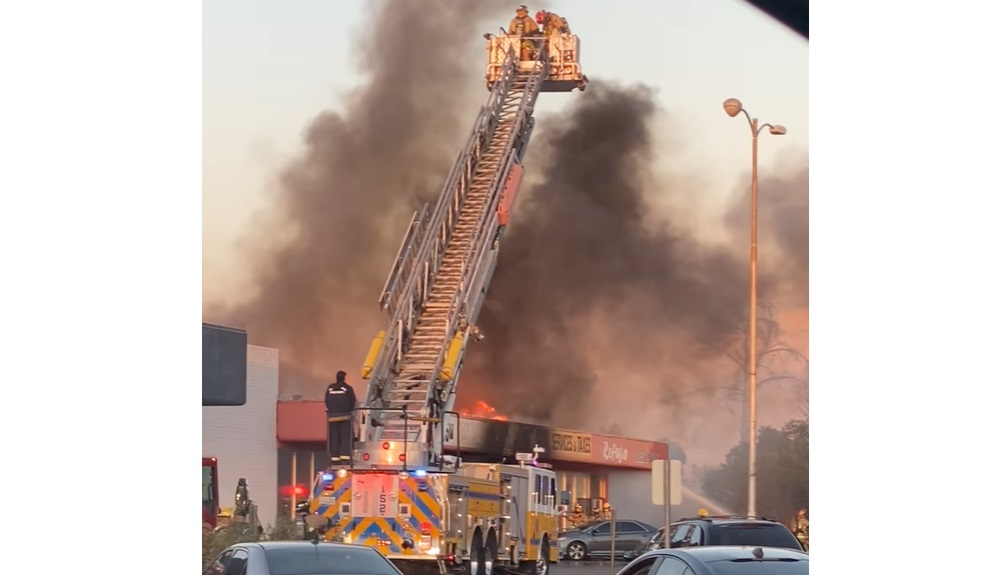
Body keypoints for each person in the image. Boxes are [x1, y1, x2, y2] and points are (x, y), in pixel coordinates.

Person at [325, 371, 357, 464]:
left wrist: (332, 411)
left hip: (332, 417)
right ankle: (345, 457)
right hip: (345, 416)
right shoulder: (347, 389)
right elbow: (353, 402)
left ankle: (334, 457)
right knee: (345, 437)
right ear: (344, 378)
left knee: (334, 437)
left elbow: (326, 401)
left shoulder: (330, 388)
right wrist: (349, 411)